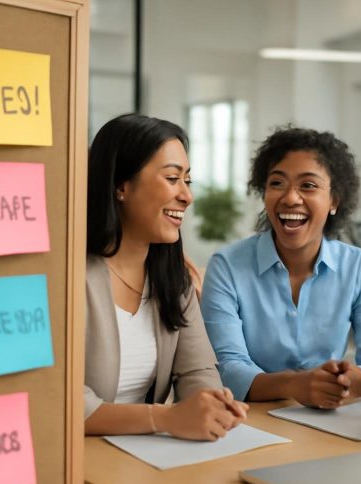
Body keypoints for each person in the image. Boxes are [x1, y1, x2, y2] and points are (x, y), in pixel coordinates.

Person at [201, 126, 361, 407]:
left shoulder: (358, 267)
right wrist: (295, 385)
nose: (291, 198)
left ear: (334, 201)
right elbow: (227, 368)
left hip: (330, 416)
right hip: (249, 416)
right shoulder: (227, 267)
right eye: (277, 183)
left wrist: (343, 381)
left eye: (308, 185)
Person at [84, 114, 248, 441]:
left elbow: (197, 370)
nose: (187, 196)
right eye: (172, 178)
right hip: (75, 462)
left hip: (147, 458)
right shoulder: (69, 277)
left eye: (188, 180)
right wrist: (167, 417)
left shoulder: (174, 278)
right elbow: (57, 397)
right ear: (120, 186)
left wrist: (210, 404)